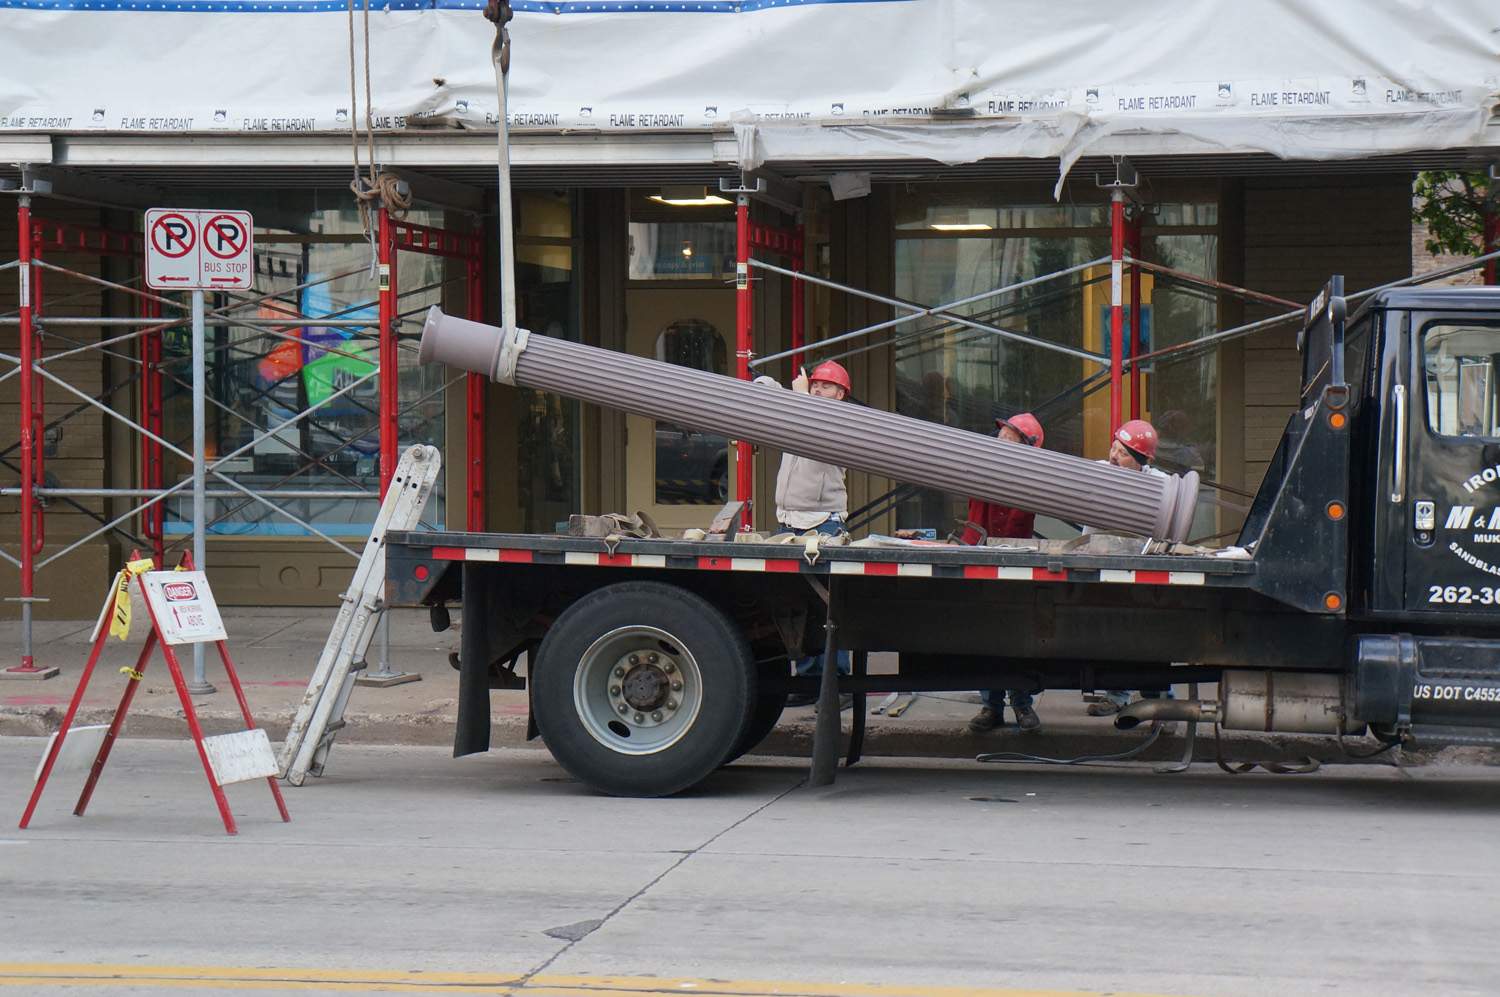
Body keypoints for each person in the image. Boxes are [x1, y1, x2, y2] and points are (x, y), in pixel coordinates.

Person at [756, 361, 854, 707]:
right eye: (815, 385)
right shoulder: (803, 411)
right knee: (798, 606)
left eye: (827, 387)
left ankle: (836, 684)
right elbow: (777, 400)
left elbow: (813, 424)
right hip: (792, 523)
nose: (817, 390)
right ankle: (810, 679)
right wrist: (764, 381)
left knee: (827, 608)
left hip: (822, 526)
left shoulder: (837, 421)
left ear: (841, 395)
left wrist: (799, 398)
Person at [962, 413, 1046, 734]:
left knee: (1016, 635)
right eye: (1002, 435)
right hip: (979, 557)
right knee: (985, 634)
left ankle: (1021, 703)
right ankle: (991, 705)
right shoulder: (982, 466)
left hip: (1015, 561)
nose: (1001, 440)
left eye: (1010, 437)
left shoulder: (1030, 478)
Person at [1086, 419, 1173, 716]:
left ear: (1140, 461)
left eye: (1121, 453)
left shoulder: (1160, 484)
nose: (1112, 456)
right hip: (1108, 568)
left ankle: (1161, 698)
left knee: (1150, 635)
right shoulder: (1099, 474)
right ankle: (1117, 695)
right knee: (1114, 633)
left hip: (1145, 573)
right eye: (1113, 448)